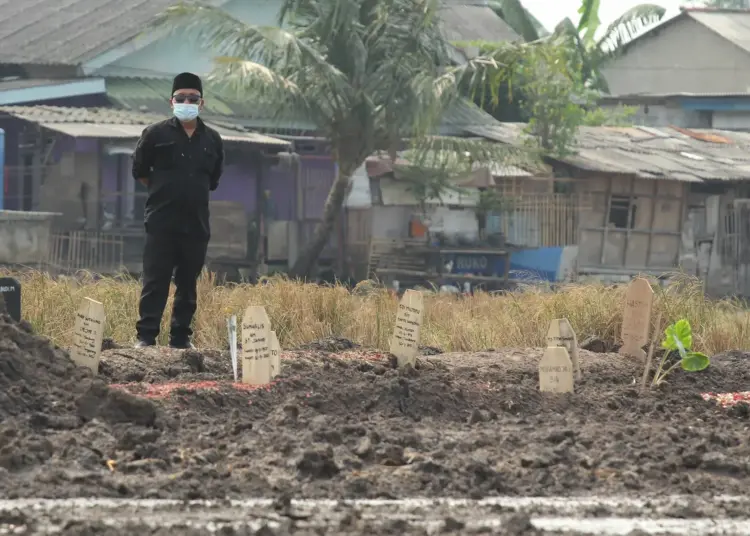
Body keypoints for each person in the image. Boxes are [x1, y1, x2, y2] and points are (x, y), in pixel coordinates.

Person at [131, 72, 224, 349]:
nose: (187, 102)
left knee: (188, 283)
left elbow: (213, 180)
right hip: (161, 221)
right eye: (181, 98)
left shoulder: (213, 139)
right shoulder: (154, 134)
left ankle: (181, 338)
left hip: (196, 224)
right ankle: (146, 337)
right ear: (171, 102)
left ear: (202, 103)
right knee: (155, 281)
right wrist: (166, 189)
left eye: (192, 98)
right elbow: (140, 171)